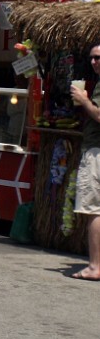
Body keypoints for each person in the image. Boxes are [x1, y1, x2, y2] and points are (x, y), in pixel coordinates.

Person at [70, 43, 100, 280]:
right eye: (92, 58)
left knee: (94, 210)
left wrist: (83, 99)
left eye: (98, 58)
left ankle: (95, 266)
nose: (94, 62)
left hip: (97, 151)